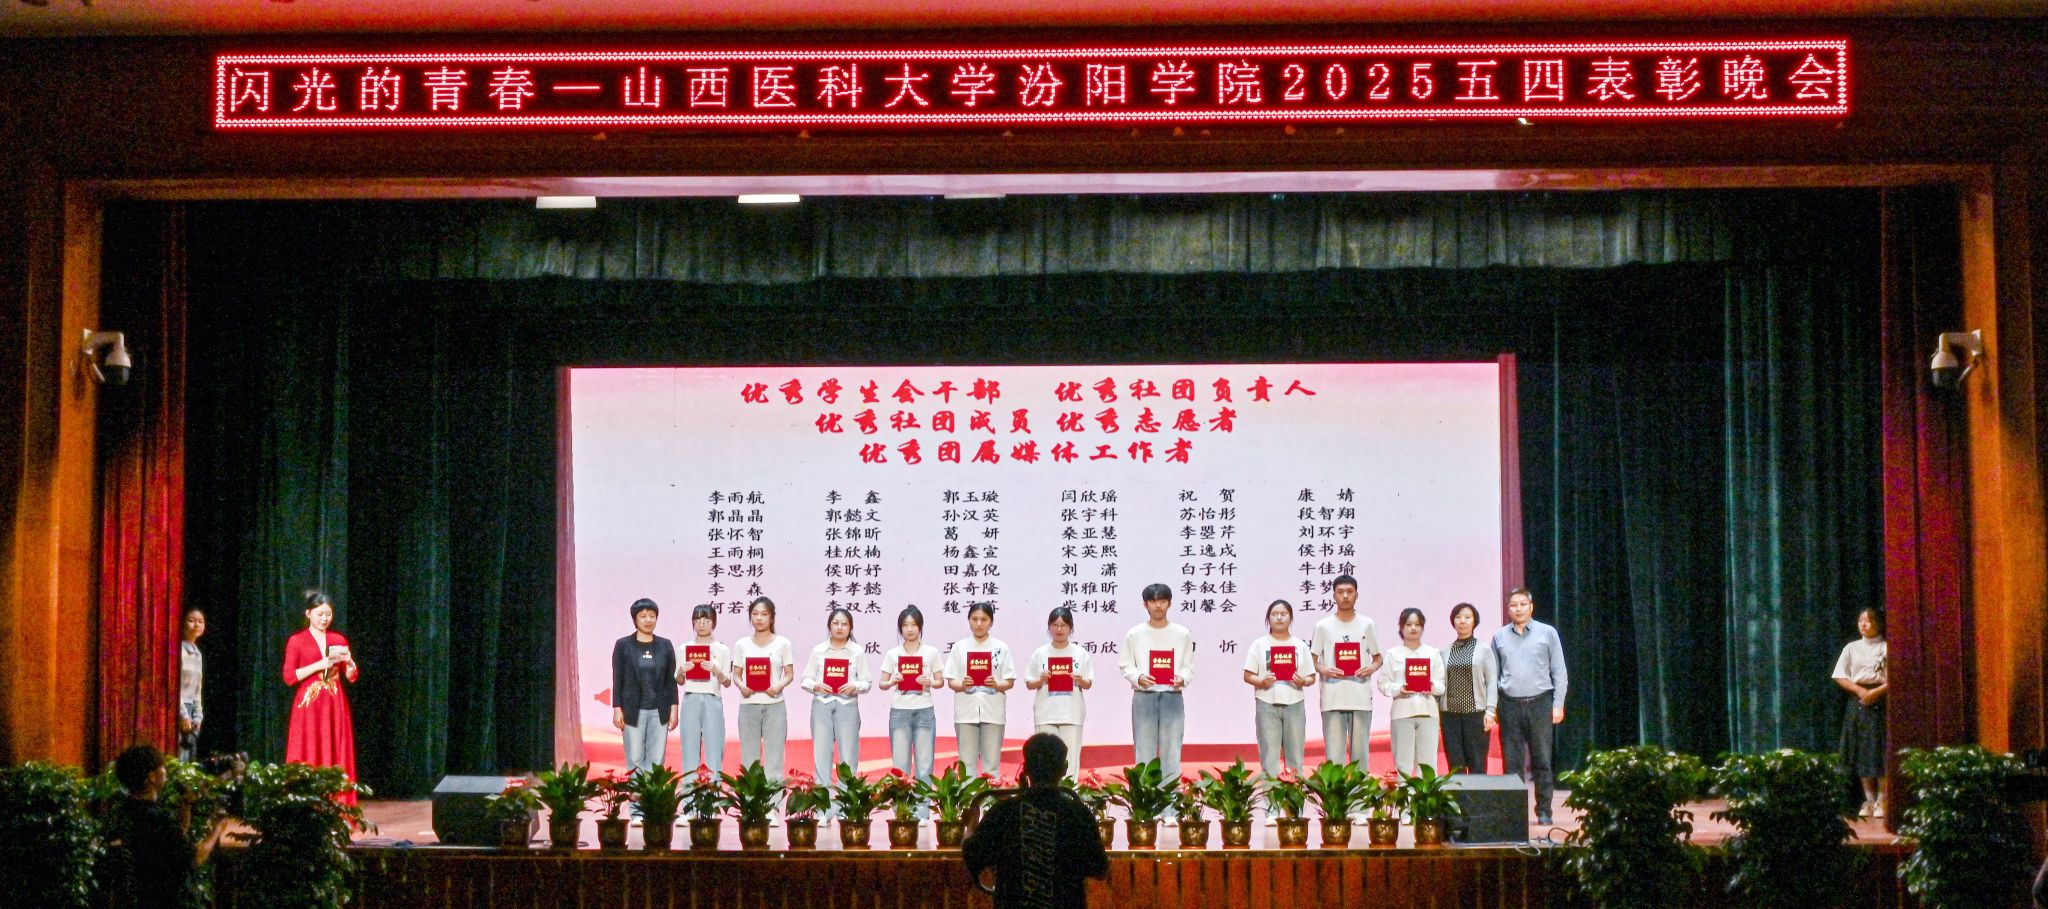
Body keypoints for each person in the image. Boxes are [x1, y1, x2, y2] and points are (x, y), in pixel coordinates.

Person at [962, 732, 1110, 909]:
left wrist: (971, 824)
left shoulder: (1003, 812)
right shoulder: (1078, 814)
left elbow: (972, 854)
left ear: (1026, 768)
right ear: (1064, 769)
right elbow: (1100, 869)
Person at [103, 744, 231, 909]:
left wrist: (186, 806)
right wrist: (217, 829)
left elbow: (174, 839)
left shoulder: (126, 810)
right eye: (162, 767)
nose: (165, 771)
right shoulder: (158, 818)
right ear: (151, 777)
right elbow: (195, 858)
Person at [1491, 587, 1568, 825]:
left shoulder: (1548, 633)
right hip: (1509, 705)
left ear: (1531, 607)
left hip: (1540, 703)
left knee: (1542, 760)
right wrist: (1493, 706)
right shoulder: (1499, 636)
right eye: (1513, 605)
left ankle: (1544, 810)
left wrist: (1558, 704)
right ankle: (1513, 814)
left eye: (1523, 604)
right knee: (1511, 763)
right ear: (1508, 609)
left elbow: (1559, 672)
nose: (1518, 609)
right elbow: (1493, 675)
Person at [283, 588, 359, 804]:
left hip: (334, 702)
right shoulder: (297, 640)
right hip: (309, 705)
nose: (324, 619)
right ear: (308, 614)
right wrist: (319, 665)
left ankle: (337, 804)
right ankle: (305, 803)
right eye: (320, 614)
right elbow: (289, 677)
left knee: (335, 750)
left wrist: (350, 663)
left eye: (328, 614)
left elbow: (351, 676)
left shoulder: (338, 639)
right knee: (308, 750)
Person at [1119, 582, 1195, 783]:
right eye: (1153, 602)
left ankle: (1170, 798)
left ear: (1170, 603)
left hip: (1172, 695)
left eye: (1162, 601)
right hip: (1144, 696)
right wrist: (1138, 677)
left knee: (1172, 748)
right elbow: (1126, 664)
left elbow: (1188, 667)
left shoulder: (1182, 634)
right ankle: (1146, 797)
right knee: (1144, 747)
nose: (1158, 606)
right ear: (1145, 605)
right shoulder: (1135, 633)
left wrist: (1182, 678)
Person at [804, 606, 872, 815]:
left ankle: (845, 809)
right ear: (829, 626)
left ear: (850, 627)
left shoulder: (857, 652)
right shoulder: (818, 650)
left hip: (847, 706)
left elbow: (867, 682)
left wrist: (855, 686)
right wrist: (816, 685)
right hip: (822, 706)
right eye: (836, 623)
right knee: (822, 757)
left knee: (848, 759)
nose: (840, 627)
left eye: (844, 624)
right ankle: (823, 811)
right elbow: (805, 679)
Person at [1311, 574, 1383, 768]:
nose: (1345, 596)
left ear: (1356, 595)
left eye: (1349, 592)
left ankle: (1360, 790)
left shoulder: (1367, 624)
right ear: (1333, 595)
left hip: (1360, 697)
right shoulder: (1323, 626)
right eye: (1340, 592)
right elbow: (1312, 660)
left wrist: (1370, 668)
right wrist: (1325, 669)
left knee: (1360, 756)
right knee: (1334, 757)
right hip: (1332, 697)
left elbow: (1378, 658)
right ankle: (1336, 790)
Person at [1243, 599, 1316, 779]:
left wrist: (1303, 681)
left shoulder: (1299, 645)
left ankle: (1294, 795)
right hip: (1266, 703)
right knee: (1269, 756)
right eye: (1274, 614)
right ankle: (1271, 796)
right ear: (1268, 619)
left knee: (1295, 755)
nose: (1279, 618)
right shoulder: (1259, 644)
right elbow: (1248, 675)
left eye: (1283, 614)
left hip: (1294, 704)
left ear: (1291, 618)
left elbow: (1311, 677)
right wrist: (1262, 682)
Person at [946, 602, 1017, 777]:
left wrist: (997, 684)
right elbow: (951, 681)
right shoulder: (959, 647)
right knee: (966, 764)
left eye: (984, 619)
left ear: (991, 622)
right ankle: (968, 795)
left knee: (991, 764)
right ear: (969, 620)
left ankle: (989, 795)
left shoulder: (1001, 648)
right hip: (966, 711)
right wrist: (962, 684)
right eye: (974, 619)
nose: (979, 623)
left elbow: (1009, 681)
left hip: (992, 710)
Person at [1024, 607, 1094, 781]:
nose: (1059, 629)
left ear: (1071, 628)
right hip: (1046, 712)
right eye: (1055, 625)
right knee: (1044, 759)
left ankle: (1069, 792)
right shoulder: (1040, 653)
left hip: (1071, 712)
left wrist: (1079, 680)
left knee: (1070, 759)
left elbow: (1088, 683)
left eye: (1063, 625)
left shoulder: (1080, 653)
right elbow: (1029, 683)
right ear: (1049, 627)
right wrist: (1041, 680)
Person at [731, 596, 796, 783]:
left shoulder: (782, 643)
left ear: (772, 617)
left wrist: (779, 685)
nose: (759, 618)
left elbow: (789, 674)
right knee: (749, 758)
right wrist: (741, 686)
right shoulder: (741, 644)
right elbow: (736, 674)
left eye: (764, 614)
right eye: (755, 614)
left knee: (774, 757)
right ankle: (752, 799)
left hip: (774, 705)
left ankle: (773, 801)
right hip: (748, 705)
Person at [611, 598, 678, 776]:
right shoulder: (623, 645)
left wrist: (674, 709)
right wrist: (617, 708)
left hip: (660, 710)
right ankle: (636, 794)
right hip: (632, 710)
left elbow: (670, 680)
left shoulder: (665, 645)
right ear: (635, 619)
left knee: (657, 759)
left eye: (652, 616)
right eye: (643, 616)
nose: (648, 620)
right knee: (635, 758)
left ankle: (652, 794)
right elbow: (617, 678)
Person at [1832, 607, 1888, 818]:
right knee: (1863, 748)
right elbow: (1840, 675)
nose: (1864, 624)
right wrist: (1860, 691)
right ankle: (1869, 800)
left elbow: (1895, 676)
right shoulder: (1851, 648)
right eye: (1860, 620)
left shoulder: (1886, 647)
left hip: (1881, 698)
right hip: (1859, 699)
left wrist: (1876, 692)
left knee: (1880, 748)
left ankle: (1883, 799)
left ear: (1878, 624)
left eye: (1869, 621)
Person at [1379, 607, 1445, 776]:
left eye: (1417, 624)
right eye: (1408, 624)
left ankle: (1427, 794)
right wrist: (1400, 689)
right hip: (1402, 713)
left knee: (1428, 763)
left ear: (1423, 627)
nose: (1413, 628)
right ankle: (1404, 794)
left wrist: (1430, 686)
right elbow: (1383, 684)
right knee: (1403, 763)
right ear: (1401, 628)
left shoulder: (1433, 653)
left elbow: (1442, 685)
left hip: (1428, 713)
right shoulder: (1392, 654)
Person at [1440, 602, 1499, 774]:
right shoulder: (1445, 651)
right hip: (1449, 716)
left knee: (1477, 763)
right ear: (1453, 621)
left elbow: (1492, 681)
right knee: (1455, 764)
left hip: (1476, 715)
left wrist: (1490, 711)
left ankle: (1477, 793)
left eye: (1467, 617)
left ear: (1474, 621)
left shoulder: (1484, 649)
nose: (1463, 621)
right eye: (1458, 617)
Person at [674, 603, 731, 775]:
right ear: (692, 623)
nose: (701, 624)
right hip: (690, 698)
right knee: (689, 746)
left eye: (706, 621)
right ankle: (690, 788)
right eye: (697, 620)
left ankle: (714, 788)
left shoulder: (722, 649)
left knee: (714, 744)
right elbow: (679, 681)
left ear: (714, 623)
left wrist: (717, 671)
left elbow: (727, 682)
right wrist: (681, 671)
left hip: (712, 699)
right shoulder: (684, 648)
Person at [178, 607, 206, 762]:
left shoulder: (197, 654)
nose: (196, 625)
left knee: (189, 759)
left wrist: (198, 716)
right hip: (177, 710)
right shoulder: (178, 650)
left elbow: (197, 689)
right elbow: (175, 687)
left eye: (200, 622)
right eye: (191, 620)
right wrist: (183, 715)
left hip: (190, 711)